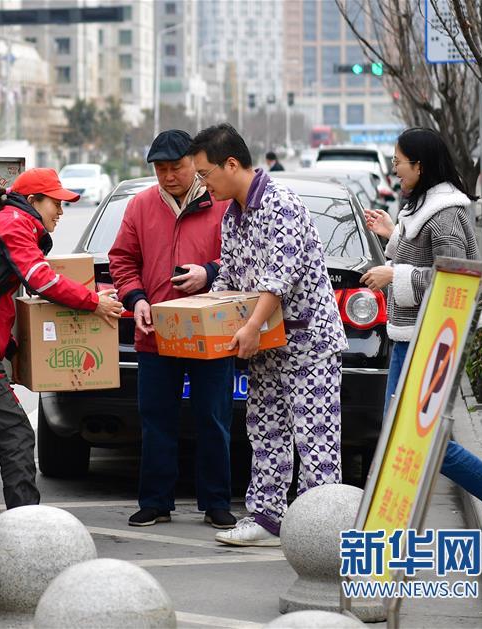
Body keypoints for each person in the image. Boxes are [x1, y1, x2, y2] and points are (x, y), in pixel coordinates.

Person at [0, 168, 124, 540]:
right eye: (56, 202)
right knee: (16, 433)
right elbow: (41, 279)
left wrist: (13, 348)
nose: (61, 211)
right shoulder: (15, 224)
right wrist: (93, 302)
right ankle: (27, 531)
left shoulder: (8, 222)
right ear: (32, 201)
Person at [189, 124, 347, 547]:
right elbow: (231, 278)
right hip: (265, 345)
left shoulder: (281, 205)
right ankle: (268, 519)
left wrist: (251, 326)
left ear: (232, 164)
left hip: (308, 344)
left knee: (315, 438)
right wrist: (203, 314)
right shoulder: (233, 215)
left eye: (205, 174)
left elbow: (280, 279)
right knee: (266, 431)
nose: (202, 184)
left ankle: (323, 530)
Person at [362, 127, 482, 534]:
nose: (394, 170)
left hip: (431, 339)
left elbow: (457, 278)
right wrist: (391, 234)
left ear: (420, 165)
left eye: (398, 162)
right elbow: (423, 252)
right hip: (411, 336)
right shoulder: (423, 204)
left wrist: (394, 274)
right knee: (402, 431)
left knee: (422, 436)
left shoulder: (444, 212)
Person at [108, 129, 236, 529]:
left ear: (194, 165)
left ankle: (216, 502)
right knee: (156, 419)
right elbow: (122, 260)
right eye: (160, 169)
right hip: (156, 333)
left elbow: (240, 259)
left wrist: (209, 272)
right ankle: (155, 501)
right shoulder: (141, 206)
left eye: (176, 167)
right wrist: (136, 299)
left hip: (212, 333)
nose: (168, 176)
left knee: (213, 419)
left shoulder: (222, 204)